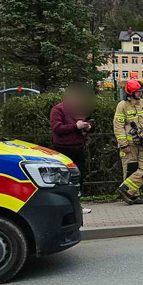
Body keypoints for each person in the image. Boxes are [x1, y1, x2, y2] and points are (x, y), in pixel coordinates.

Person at [50, 83, 94, 214]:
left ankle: (77, 205)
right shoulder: (57, 110)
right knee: (65, 179)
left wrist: (87, 128)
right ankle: (65, 207)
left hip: (78, 147)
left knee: (78, 177)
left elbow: (81, 126)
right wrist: (76, 126)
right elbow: (57, 129)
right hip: (63, 149)